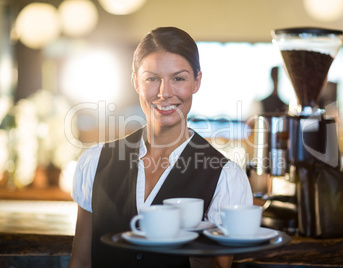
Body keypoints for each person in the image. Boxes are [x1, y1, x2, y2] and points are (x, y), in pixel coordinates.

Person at [68, 26, 253, 268]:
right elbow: (81, 261)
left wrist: (194, 244)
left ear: (196, 81)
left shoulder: (225, 177)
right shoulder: (96, 161)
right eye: (152, 79)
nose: (164, 93)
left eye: (179, 78)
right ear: (136, 81)